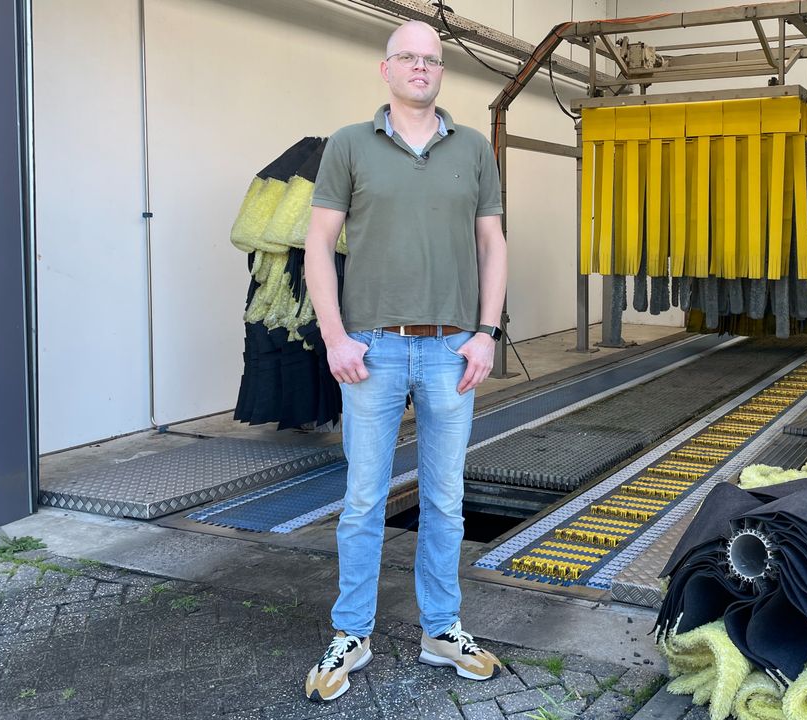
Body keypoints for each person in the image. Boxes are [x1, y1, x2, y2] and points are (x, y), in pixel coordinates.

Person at [301, 20, 508, 702]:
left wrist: (486, 333)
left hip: (453, 350)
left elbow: (493, 245)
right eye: (408, 59)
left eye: (432, 60)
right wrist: (335, 336)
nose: (421, 68)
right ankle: (351, 632)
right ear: (385, 69)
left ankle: (441, 630)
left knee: (445, 503)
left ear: (441, 72)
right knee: (363, 500)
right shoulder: (349, 146)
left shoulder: (474, 149)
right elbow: (319, 246)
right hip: (375, 348)